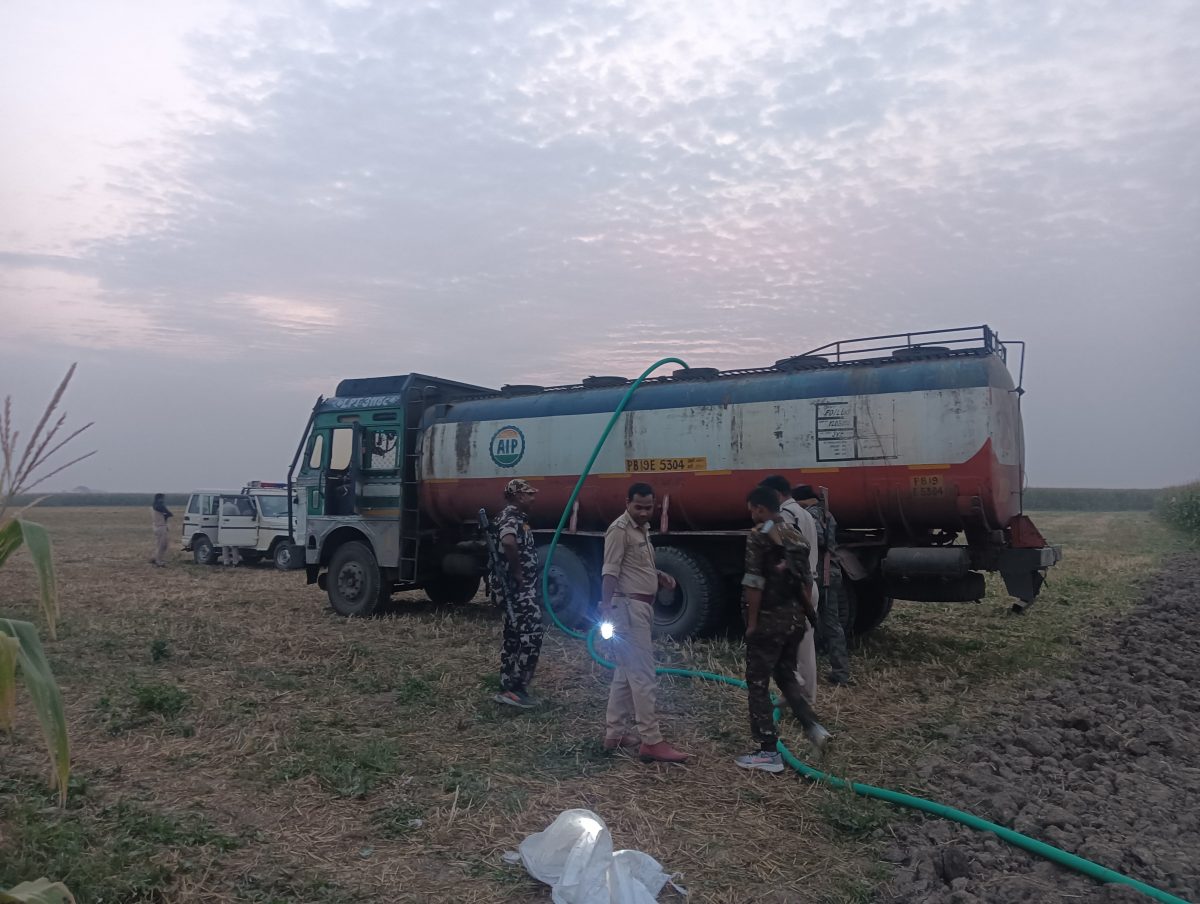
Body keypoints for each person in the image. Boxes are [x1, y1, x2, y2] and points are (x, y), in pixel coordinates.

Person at [736, 485, 831, 772]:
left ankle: (768, 751)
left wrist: (752, 623)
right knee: (786, 676)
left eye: (752, 510)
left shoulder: (759, 536)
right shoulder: (795, 536)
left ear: (760, 508)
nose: (751, 515)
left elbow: (754, 582)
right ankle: (813, 727)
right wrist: (806, 614)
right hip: (794, 621)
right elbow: (806, 581)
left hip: (768, 621)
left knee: (757, 682)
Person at [599, 482, 688, 763]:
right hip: (627, 608)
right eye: (638, 507)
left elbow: (634, 566)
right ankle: (651, 740)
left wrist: (658, 576)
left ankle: (614, 733)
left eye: (648, 508)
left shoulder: (642, 530)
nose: (643, 512)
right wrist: (605, 607)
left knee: (625, 673)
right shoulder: (619, 530)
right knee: (643, 675)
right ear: (627, 502)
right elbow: (610, 571)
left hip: (639, 607)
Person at [759, 475, 819, 704]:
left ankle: (796, 690)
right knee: (805, 645)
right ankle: (804, 695)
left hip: (794, 588)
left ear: (776, 494)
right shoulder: (805, 514)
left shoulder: (786, 514)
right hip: (810, 583)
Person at [491, 478, 544, 708]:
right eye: (529, 494)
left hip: (518, 589)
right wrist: (518, 574)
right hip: (517, 590)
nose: (533, 498)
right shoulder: (510, 517)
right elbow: (508, 542)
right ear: (518, 496)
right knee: (532, 634)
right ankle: (517, 688)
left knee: (513, 637)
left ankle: (508, 687)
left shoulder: (517, 518)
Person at [794, 485, 852, 686]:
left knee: (809, 622)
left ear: (801, 500)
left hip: (821, 574)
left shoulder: (810, 515)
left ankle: (807, 672)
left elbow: (818, 539)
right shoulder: (826, 514)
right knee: (832, 624)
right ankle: (840, 672)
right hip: (831, 572)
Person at [149, 493, 173, 567]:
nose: (163, 500)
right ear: (160, 498)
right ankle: (158, 561)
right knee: (162, 545)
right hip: (161, 527)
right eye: (162, 498)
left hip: (157, 526)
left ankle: (154, 558)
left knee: (159, 544)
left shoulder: (153, 506)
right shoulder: (159, 506)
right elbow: (169, 513)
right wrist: (167, 514)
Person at [219, 496, 242, 567]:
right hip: (232, 528)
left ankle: (226, 562)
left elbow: (218, 515)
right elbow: (238, 515)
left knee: (225, 545)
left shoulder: (221, 507)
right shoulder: (234, 507)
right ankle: (235, 562)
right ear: (231, 500)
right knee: (234, 546)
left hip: (223, 528)